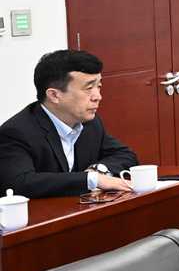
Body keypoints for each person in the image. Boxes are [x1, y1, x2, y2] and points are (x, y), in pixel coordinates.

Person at [0, 49, 138, 198]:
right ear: (54, 95)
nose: (98, 96)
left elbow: (126, 155)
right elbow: (20, 183)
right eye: (89, 88)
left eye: (99, 86)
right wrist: (91, 180)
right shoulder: (16, 132)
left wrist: (98, 170)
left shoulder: (90, 123)